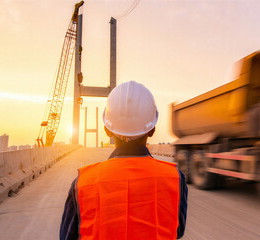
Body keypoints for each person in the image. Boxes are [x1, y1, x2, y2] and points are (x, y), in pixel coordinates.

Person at [60, 81, 188, 240]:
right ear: (152, 130)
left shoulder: (82, 184)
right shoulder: (175, 178)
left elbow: (66, 236)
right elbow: (177, 230)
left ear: (107, 130)